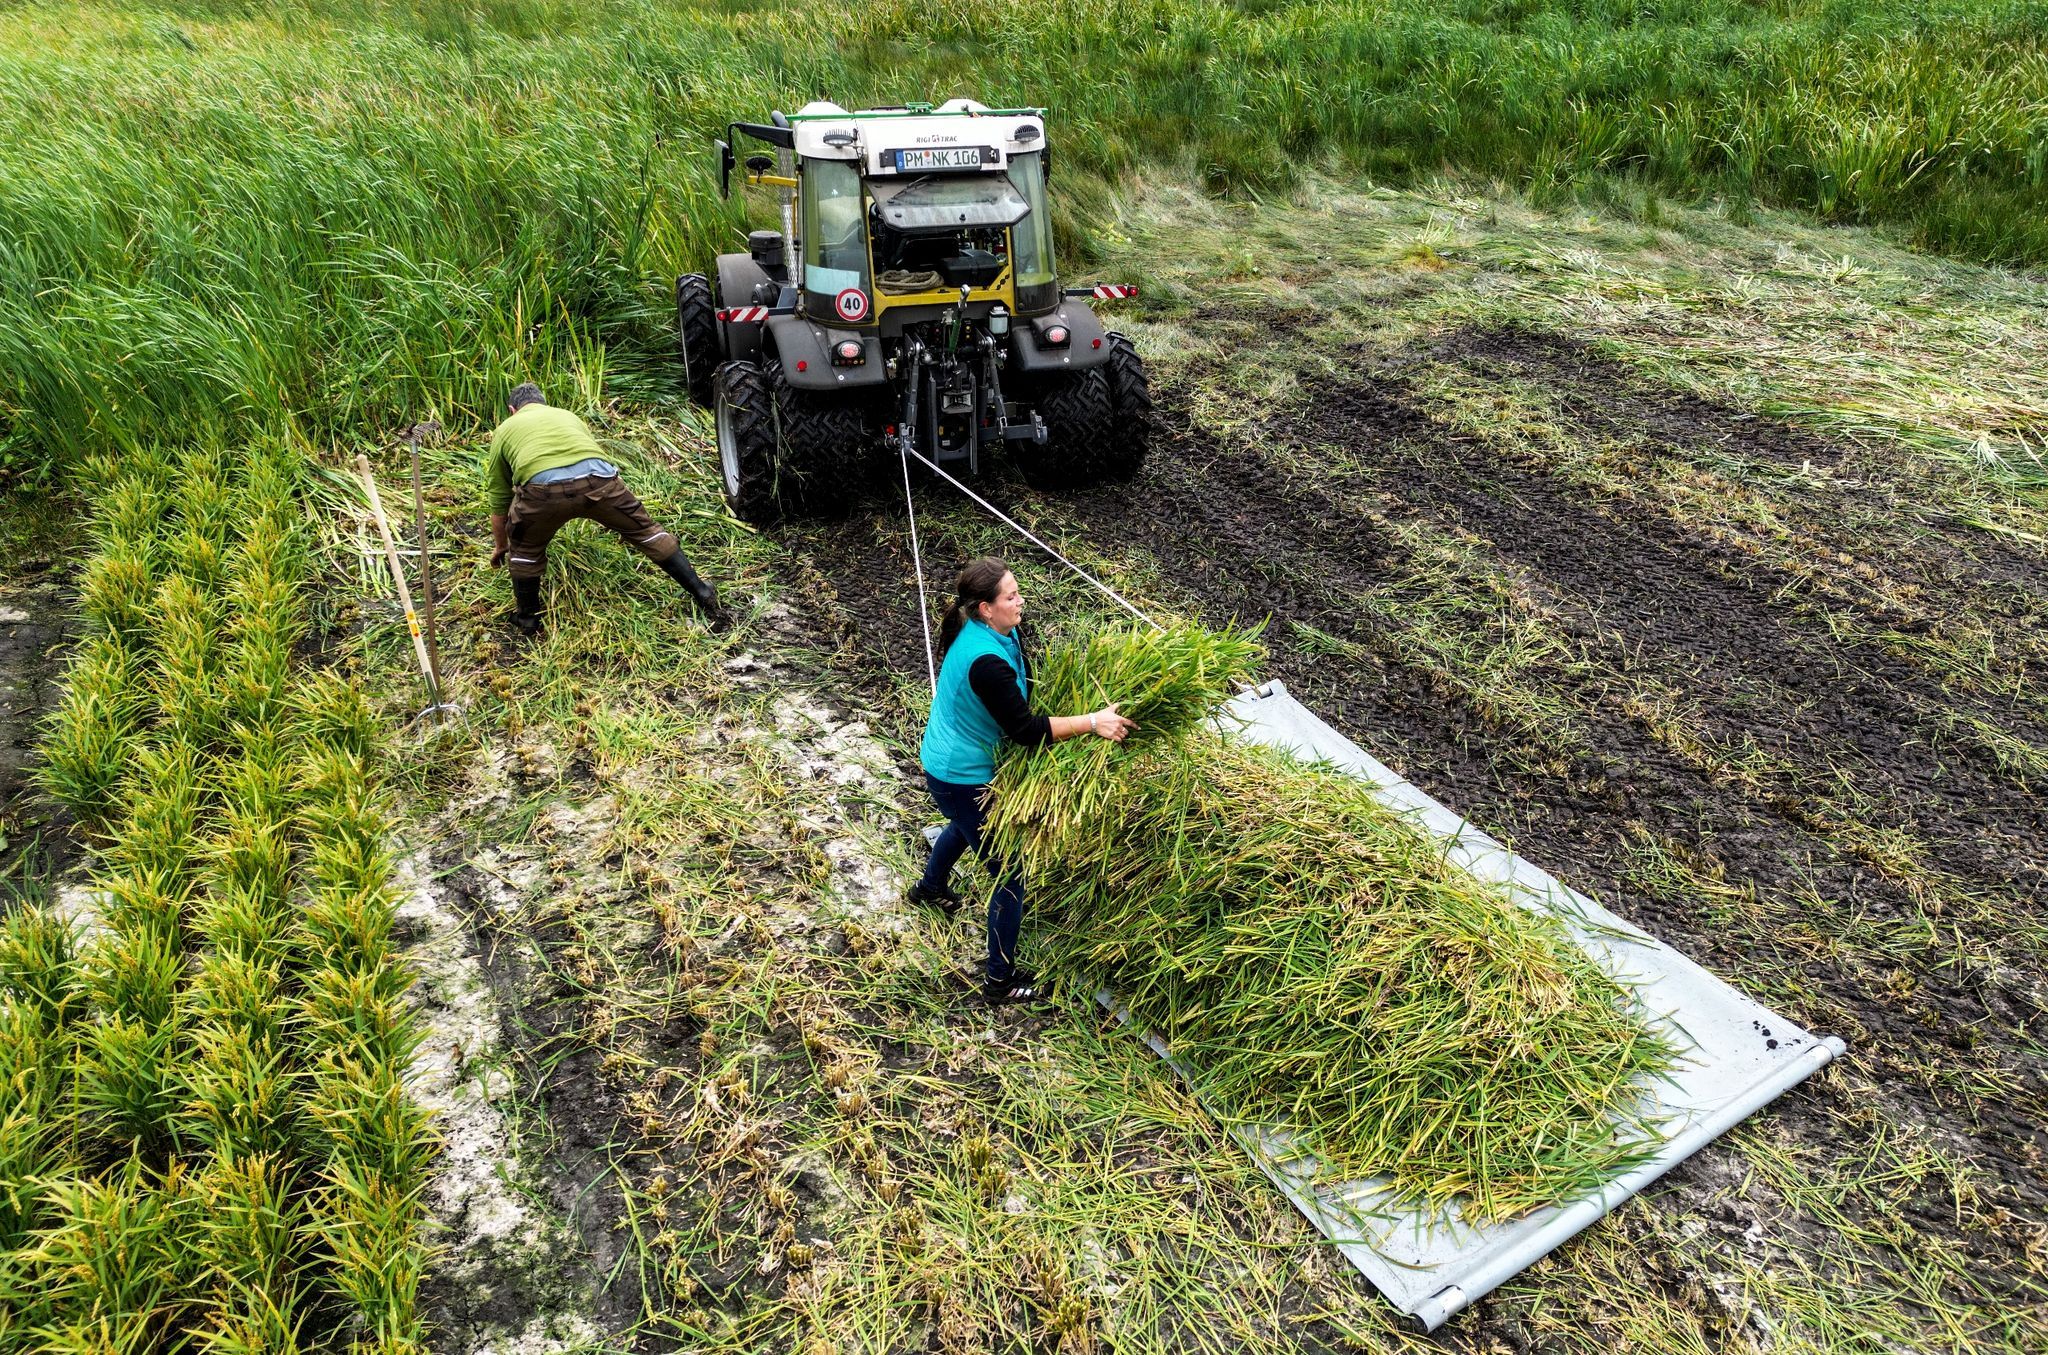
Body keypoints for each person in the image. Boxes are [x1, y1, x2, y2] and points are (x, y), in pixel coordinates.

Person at [911, 558, 1136, 1004]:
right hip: (959, 773)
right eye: (1011, 596)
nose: (1020, 602)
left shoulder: (998, 631)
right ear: (984, 608)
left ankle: (930, 889)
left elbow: (1023, 687)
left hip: (957, 762)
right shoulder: (984, 661)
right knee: (1009, 874)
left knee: (962, 825)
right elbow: (1027, 732)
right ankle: (1000, 980)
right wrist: (1092, 722)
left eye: (1018, 592)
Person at [484, 383, 726, 634]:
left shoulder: (505, 429)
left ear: (512, 410)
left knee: (526, 553)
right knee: (648, 533)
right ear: (543, 403)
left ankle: (528, 620)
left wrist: (502, 546)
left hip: (542, 493)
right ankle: (702, 590)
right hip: (600, 483)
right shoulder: (568, 416)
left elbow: (499, 498)